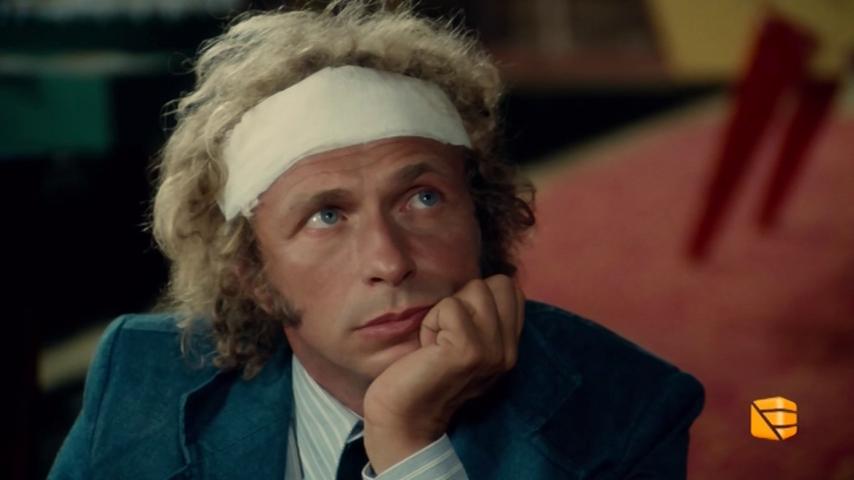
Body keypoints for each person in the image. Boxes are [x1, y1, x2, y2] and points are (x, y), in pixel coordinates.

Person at [49, 2, 704, 479]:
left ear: (483, 217)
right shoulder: (142, 381)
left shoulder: (624, 407)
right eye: (327, 216)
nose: (390, 262)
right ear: (253, 274)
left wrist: (408, 443)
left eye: (423, 199)